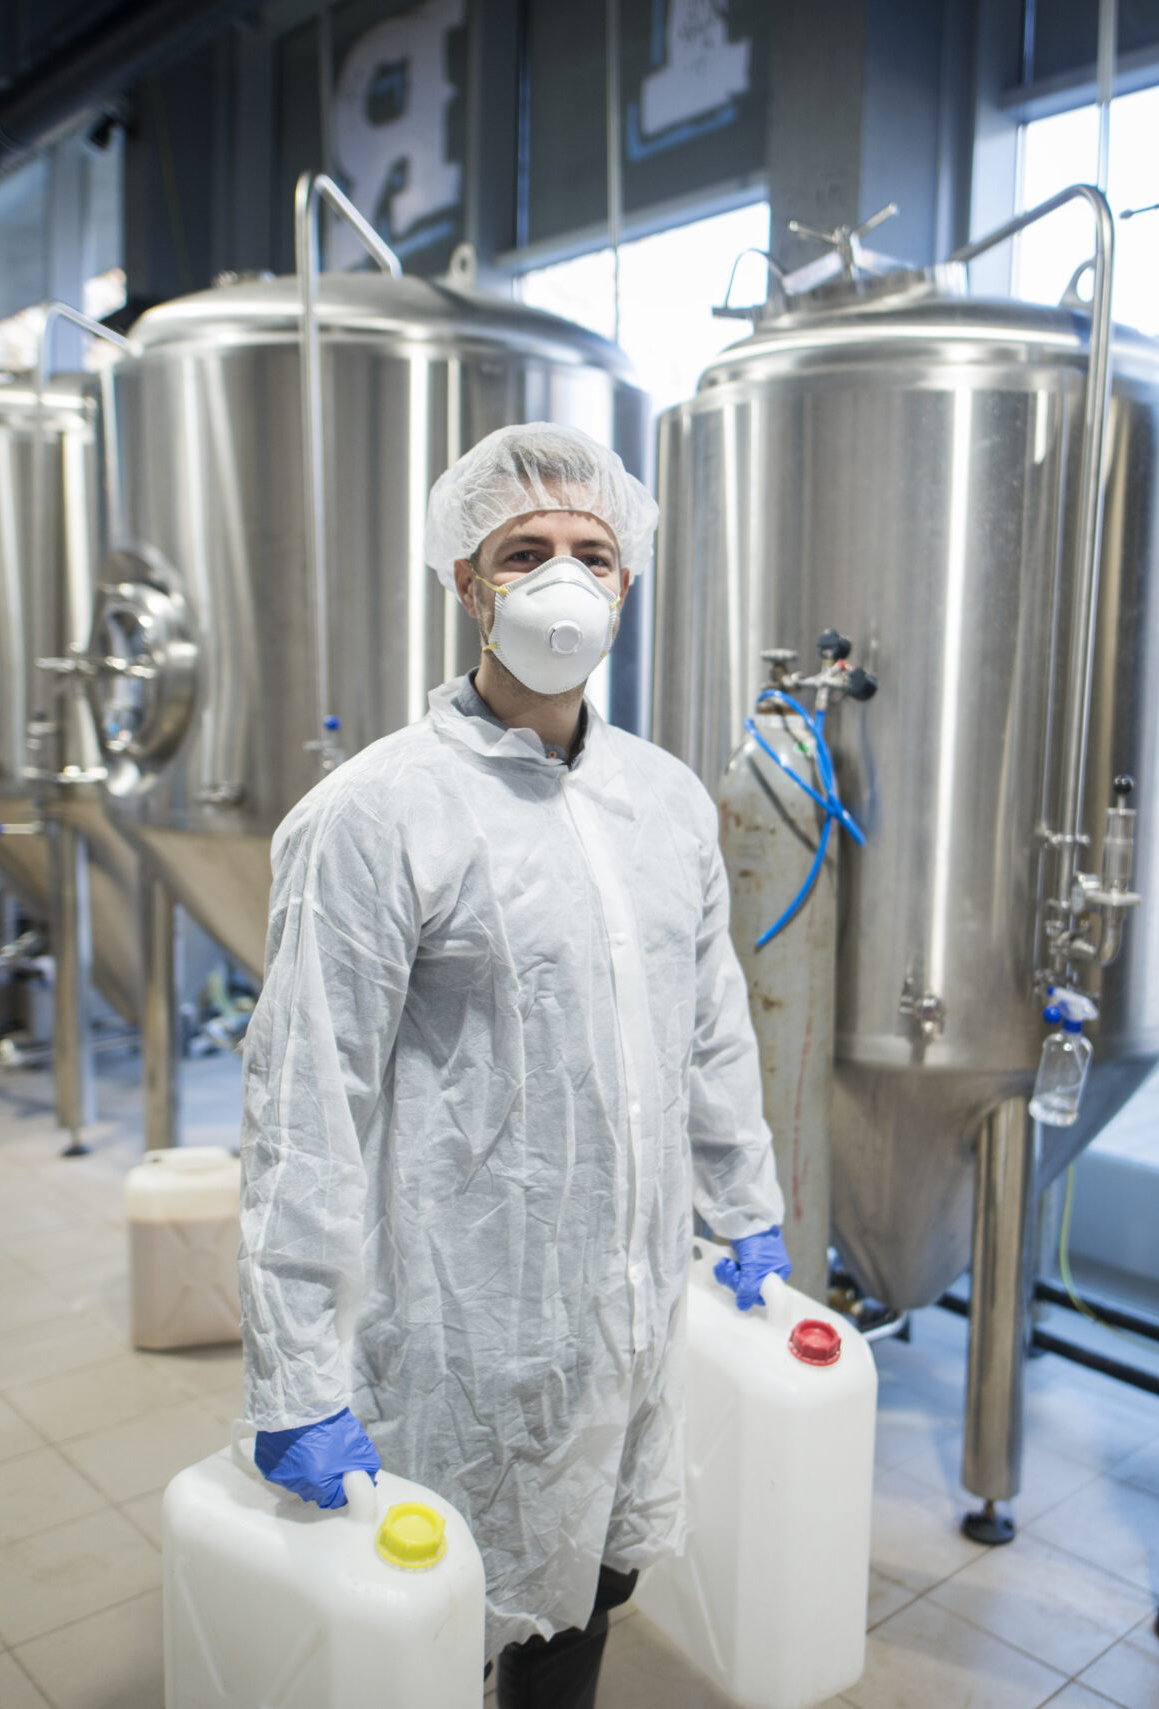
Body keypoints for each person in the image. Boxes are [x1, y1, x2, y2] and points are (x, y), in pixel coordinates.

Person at [237, 421, 792, 1709]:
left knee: (591, 1600)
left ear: (628, 580)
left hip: (631, 1314)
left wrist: (746, 1207)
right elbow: (305, 1103)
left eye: (591, 552)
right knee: (438, 1627)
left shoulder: (666, 802)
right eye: (523, 551)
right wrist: (294, 1373)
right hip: (463, 1334)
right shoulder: (377, 813)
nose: (562, 578)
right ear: (466, 585)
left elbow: (711, 1028)